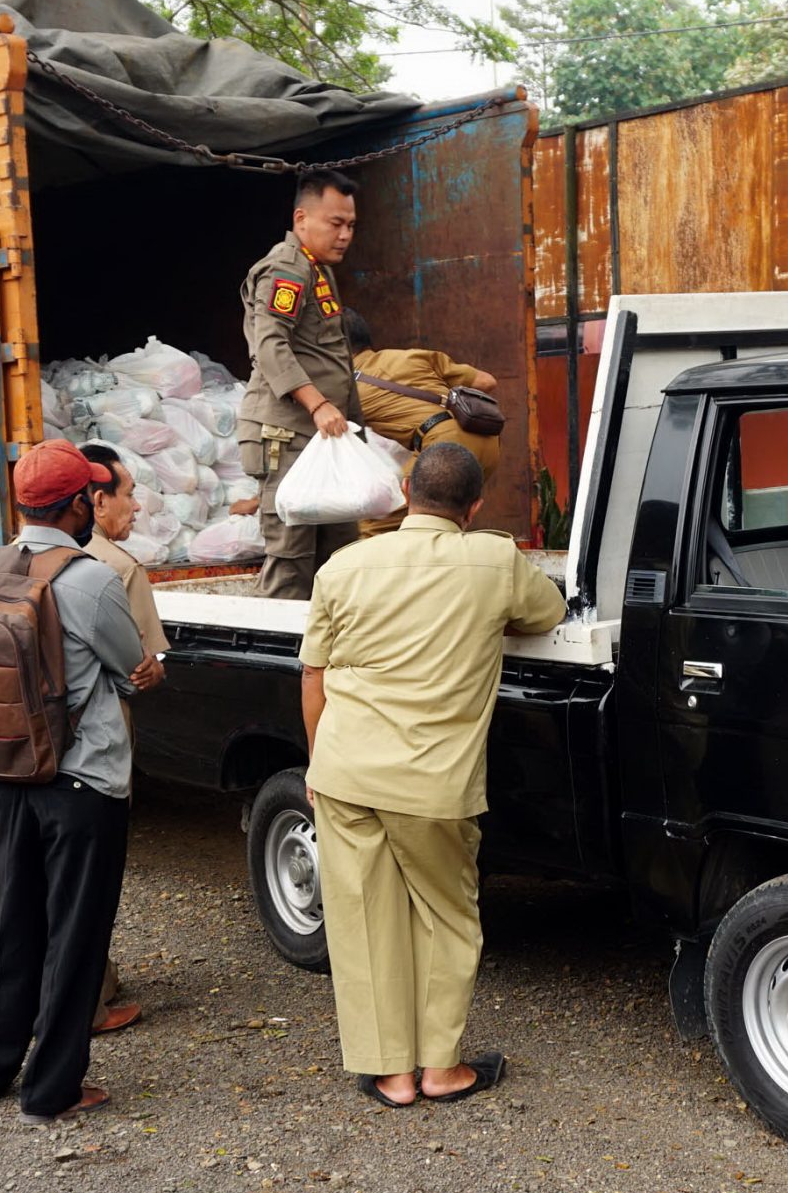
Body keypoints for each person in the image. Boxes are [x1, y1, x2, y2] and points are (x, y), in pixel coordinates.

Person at [301, 444, 566, 1108]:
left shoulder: (345, 566)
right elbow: (550, 613)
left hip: (344, 769)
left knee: (364, 918)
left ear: (403, 489)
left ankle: (389, 1073)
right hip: (433, 785)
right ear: (473, 507)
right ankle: (441, 1067)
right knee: (447, 917)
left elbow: (314, 673)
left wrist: (315, 761)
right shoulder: (494, 560)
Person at [0, 442, 152, 1124]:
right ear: (78, 504)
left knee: (10, 921)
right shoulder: (88, 577)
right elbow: (131, 667)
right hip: (81, 780)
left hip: (10, 768)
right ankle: (52, 1088)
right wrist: (147, 668)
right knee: (76, 933)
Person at [77, 441, 169, 1037]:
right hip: (98, 752)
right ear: (96, 499)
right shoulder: (114, 568)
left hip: (29, 750)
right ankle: (91, 994)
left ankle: (78, 981)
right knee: (93, 876)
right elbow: (139, 670)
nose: (137, 506)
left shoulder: (7, 558)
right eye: (128, 494)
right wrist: (153, 668)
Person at [239, 169, 365, 600]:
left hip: (322, 440)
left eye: (350, 225)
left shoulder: (318, 269)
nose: (345, 234)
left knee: (341, 557)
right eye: (335, 223)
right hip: (287, 435)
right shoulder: (286, 269)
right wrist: (317, 404)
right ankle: (273, 662)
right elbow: (270, 344)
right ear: (301, 219)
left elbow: (329, 358)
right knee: (292, 563)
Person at [342, 307, 503, 537]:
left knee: (373, 526)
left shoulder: (345, 387)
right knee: (444, 523)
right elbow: (487, 382)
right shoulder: (411, 356)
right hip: (487, 441)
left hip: (443, 448)